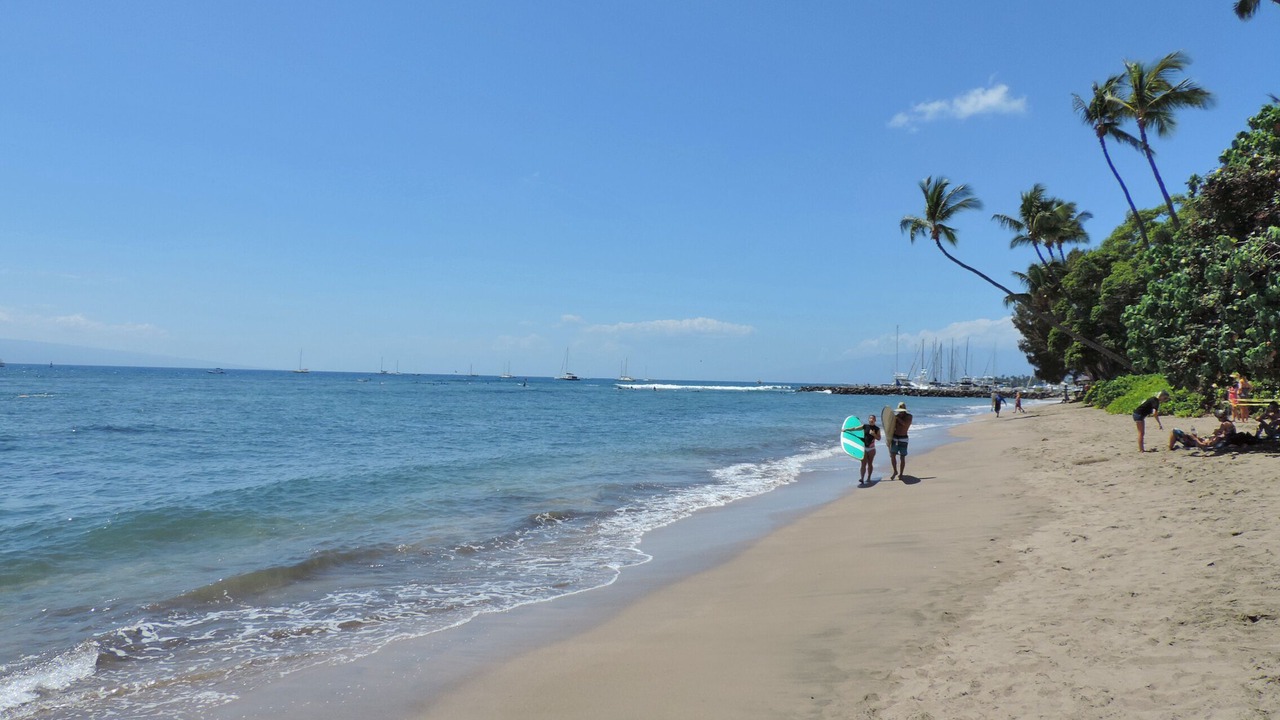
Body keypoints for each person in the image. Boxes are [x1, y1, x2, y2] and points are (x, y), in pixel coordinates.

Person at [889, 401, 913, 479]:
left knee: (902, 457)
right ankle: (895, 471)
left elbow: (905, 424)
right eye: (899, 411)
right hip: (895, 437)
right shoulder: (896, 416)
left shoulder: (909, 417)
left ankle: (901, 474)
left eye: (902, 411)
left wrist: (898, 418)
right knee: (892, 455)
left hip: (903, 438)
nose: (900, 413)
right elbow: (890, 428)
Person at [859, 414, 881, 485]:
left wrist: (874, 434)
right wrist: (846, 429)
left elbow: (879, 438)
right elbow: (855, 428)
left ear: (875, 420)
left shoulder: (877, 429)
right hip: (864, 448)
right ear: (868, 419)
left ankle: (869, 477)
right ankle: (862, 478)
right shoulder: (865, 426)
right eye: (870, 418)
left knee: (870, 463)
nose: (871, 420)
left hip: (871, 449)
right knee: (863, 464)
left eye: (873, 419)